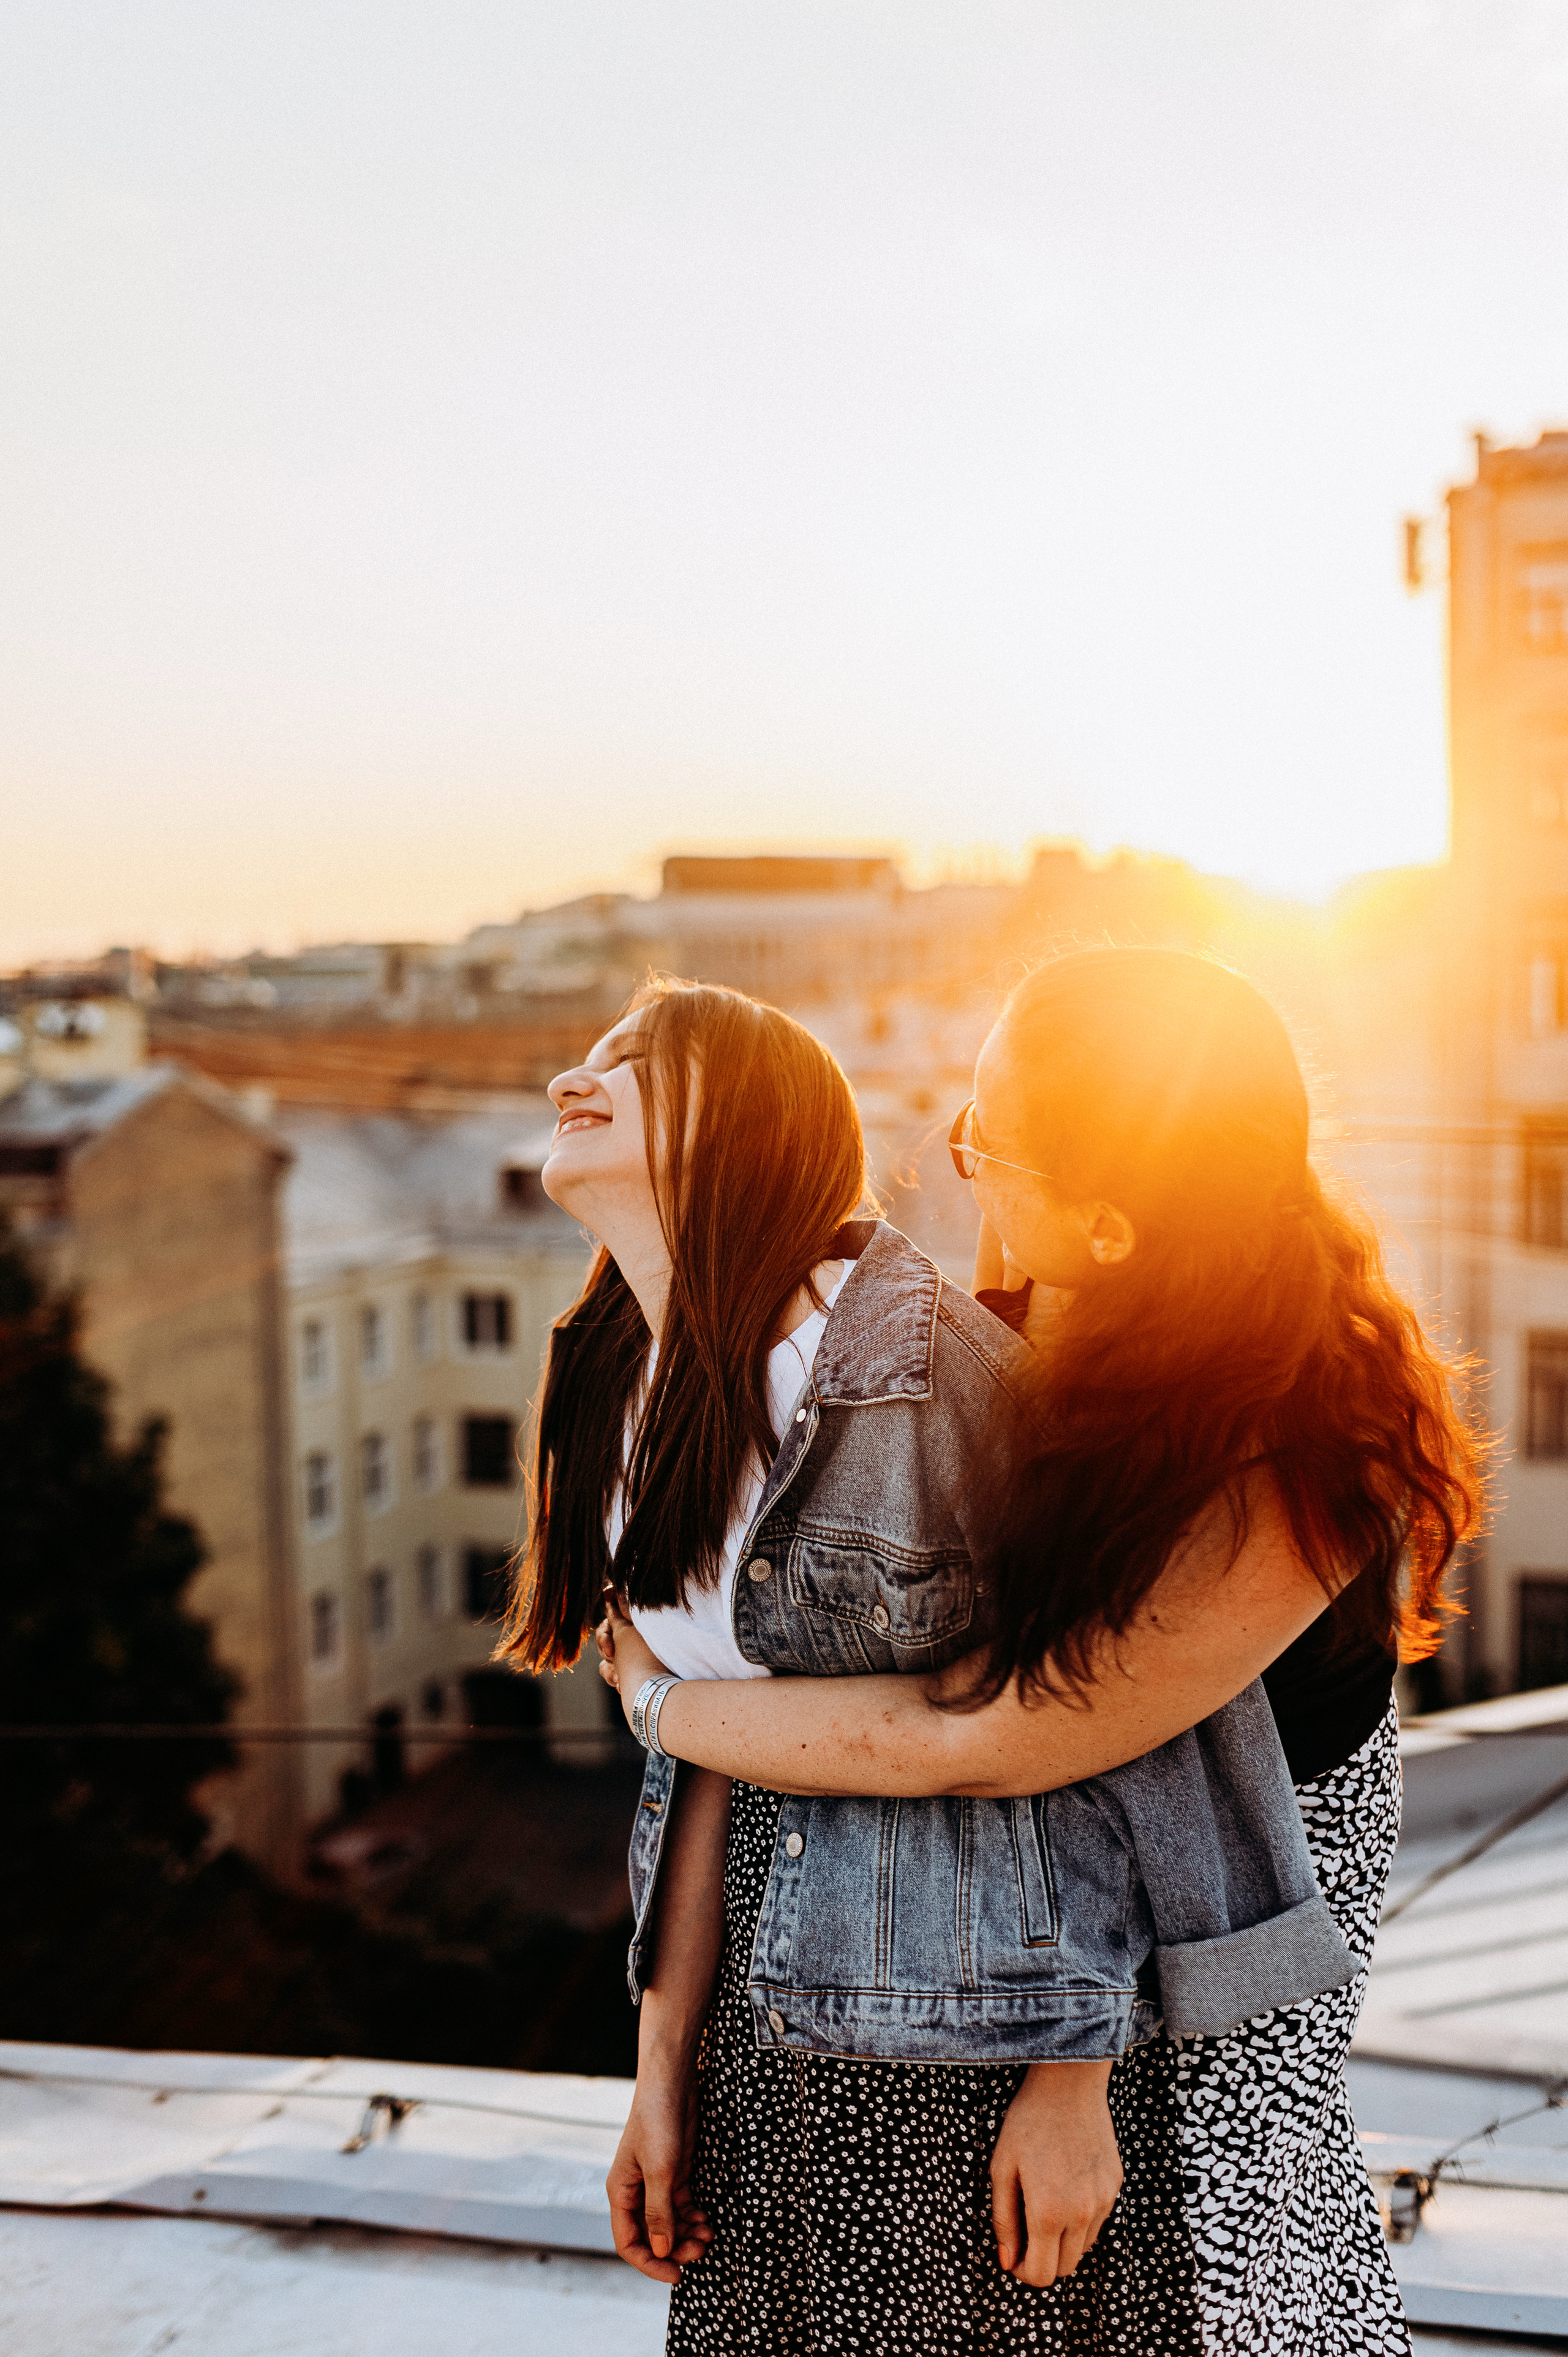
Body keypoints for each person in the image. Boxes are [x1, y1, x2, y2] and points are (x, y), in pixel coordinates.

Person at [505, 960, 1477, 2353]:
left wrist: (661, 1701)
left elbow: (1024, 1741)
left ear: (1111, 1225)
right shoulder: (1012, 1319)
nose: (958, 1172)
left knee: (1226, 2272)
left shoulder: (1308, 1458)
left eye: (990, 1149)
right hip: (958, 1895)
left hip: (1226, 1917)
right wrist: (667, 2058)